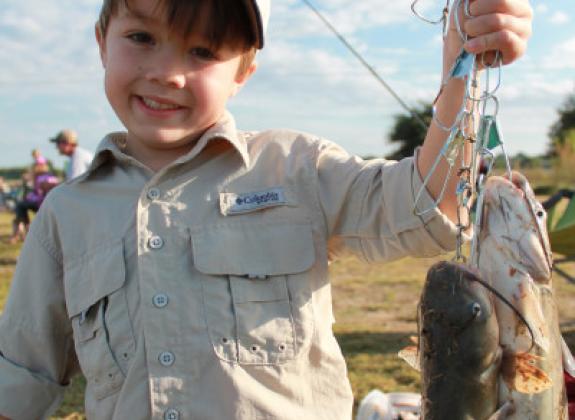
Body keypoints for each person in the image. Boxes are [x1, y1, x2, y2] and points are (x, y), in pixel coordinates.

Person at [0, 0, 533, 418]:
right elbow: (20, 375)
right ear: (101, 42)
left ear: (244, 72)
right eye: (142, 37)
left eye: (203, 52)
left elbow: (425, 205)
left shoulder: (295, 167)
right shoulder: (65, 215)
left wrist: (461, 61)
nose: (167, 72)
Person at [8, 161, 59, 243]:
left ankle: (22, 231)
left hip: (43, 204)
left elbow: (41, 193)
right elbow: (37, 192)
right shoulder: (49, 176)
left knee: (20, 206)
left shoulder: (42, 178)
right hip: (46, 203)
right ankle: (23, 231)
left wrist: (31, 197)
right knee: (20, 207)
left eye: (34, 167)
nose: (33, 169)